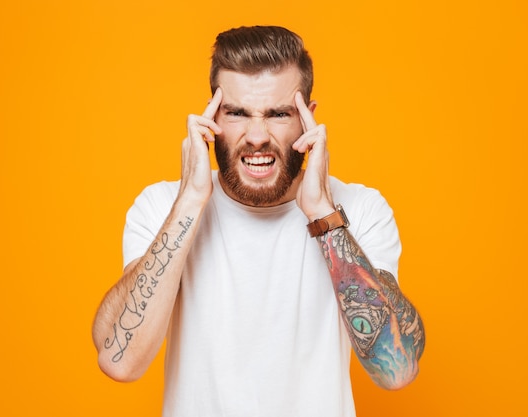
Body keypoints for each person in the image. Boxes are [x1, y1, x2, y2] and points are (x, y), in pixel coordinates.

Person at [92, 25, 425, 416]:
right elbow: (120, 360)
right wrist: (191, 200)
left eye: (278, 114)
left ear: (307, 119)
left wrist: (322, 213)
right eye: (237, 113)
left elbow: (397, 371)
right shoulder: (163, 205)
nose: (256, 136)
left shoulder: (359, 209)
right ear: (212, 117)